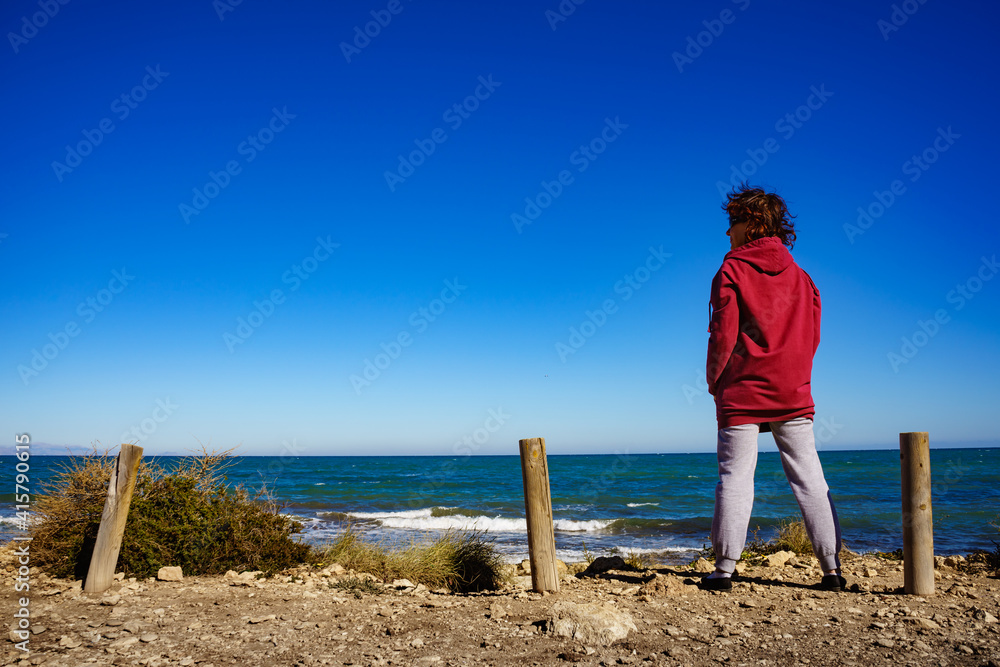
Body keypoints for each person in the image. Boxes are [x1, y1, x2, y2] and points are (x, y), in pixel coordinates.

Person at [701, 183, 845, 592]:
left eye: (733, 222)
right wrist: (794, 374)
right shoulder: (803, 278)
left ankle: (724, 571)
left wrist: (714, 381)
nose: (728, 232)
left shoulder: (731, 270)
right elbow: (812, 336)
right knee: (809, 478)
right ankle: (832, 571)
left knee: (735, 478)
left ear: (754, 223)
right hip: (793, 391)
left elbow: (722, 335)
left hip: (742, 392)